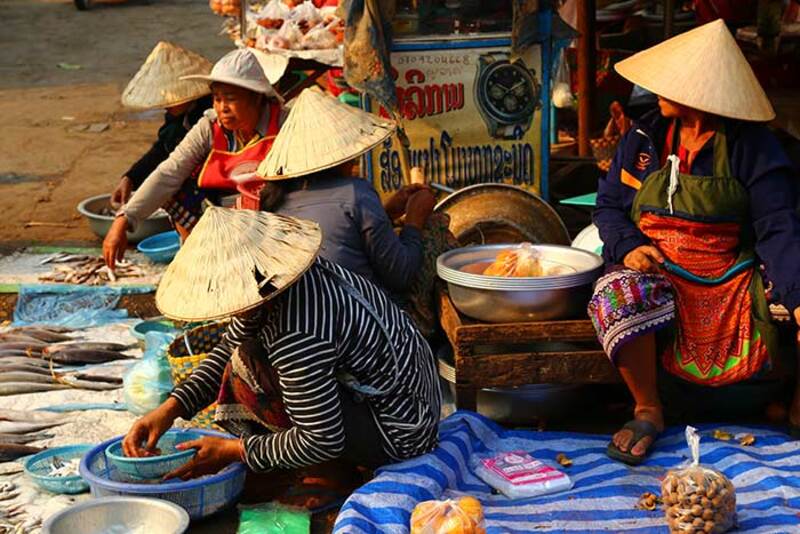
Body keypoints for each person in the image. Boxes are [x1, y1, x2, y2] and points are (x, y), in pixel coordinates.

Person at [589, 19, 800, 464]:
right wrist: (628, 247)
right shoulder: (643, 138)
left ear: (704, 94)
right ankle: (648, 408)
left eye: (673, 85)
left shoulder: (752, 148)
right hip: (656, 267)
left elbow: (777, 226)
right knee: (618, 294)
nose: (658, 91)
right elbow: (607, 207)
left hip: (730, 272)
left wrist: (798, 297)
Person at [122, 207, 441, 479]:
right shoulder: (275, 284)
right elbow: (226, 348)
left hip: (401, 434)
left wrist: (235, 450)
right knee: (240, 356)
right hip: (402, 401)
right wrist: (169, 409)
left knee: (248, 369)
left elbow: (322, 439)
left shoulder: (298, 331)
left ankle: (333, 474)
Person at [253, 88, 450, 333]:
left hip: (304, 321)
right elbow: (402, 274)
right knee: (436, 228)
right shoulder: (356, 192)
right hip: (363, 326)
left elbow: (340, 232)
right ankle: (429, 337)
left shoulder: (275, 199)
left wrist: (386, 213)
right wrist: (415, 222)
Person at [103, 47, 286, 268]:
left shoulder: (285, 124)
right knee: (177, 187)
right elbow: (170, 171)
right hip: (226, 210)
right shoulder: (209, 125)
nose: (222, 108)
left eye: (230, 99)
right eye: (217, 99)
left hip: (274, 209)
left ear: (257, 98)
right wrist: (124, 218)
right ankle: (195, 253)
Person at [111, 42, 214, 208]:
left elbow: (176, 162)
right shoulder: (177, 116)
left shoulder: (209, 115)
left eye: (169, 96)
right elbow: (163, 148)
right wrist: (131, 177)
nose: (165, 103)